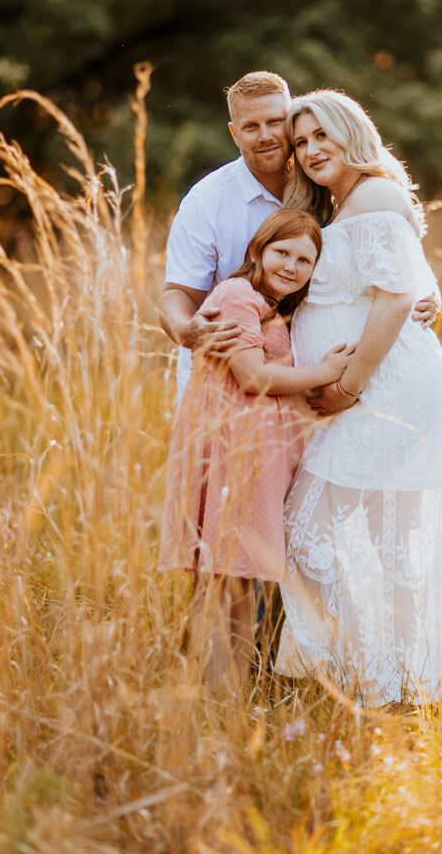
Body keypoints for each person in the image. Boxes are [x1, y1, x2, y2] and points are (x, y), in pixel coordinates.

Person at [274, 90, 442, 707]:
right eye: (302, 142)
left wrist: (348, 387)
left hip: (383, 389)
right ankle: (397, 683)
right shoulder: (347, 202)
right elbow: (413, 282)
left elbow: (399, 298)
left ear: (352, 133)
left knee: (304, 531)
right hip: (376, 387)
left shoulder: (373, 194)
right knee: (388, 539)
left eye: (323, 135)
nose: (311, 149)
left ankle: (375, 682)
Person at [158, 209, 355, 691]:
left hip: (256, 451)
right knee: (231, 572)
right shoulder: (237, 295)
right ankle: (224, 689)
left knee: (235, 573)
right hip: (232, 449)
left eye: (303, 260)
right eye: (281, 252)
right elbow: (253, 377)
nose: (290, 266)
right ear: (257, 251)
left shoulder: (270, 305)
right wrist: (328, 373)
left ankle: (219, 686)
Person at [158, 71, 438, 392]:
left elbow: (390, 260)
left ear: (290, 123)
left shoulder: (323, 183)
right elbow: (177, 292)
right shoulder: (207, 201)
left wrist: (426, 294)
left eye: (275, 122)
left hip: (306, 386)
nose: (265, 136)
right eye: (251, 127)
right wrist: (186, 330)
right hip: (228, 386)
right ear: (235, 134)